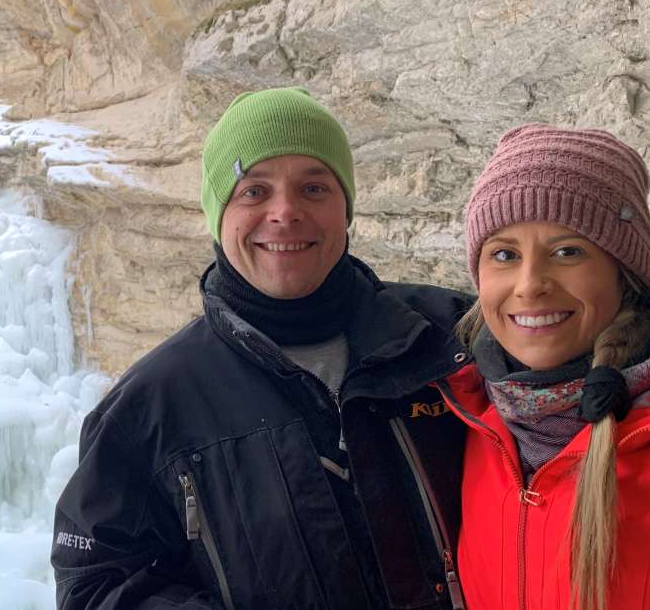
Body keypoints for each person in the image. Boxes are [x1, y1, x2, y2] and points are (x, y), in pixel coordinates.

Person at [51, 87, 476, 609]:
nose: (285, 212)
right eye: (253, 191)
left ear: (346, 209)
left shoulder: (453, 336)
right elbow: (93, 585)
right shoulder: (150, 406)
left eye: (314, 188)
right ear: (218, 214)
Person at [441, 124, 650, 610]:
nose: (529, 284)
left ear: (624, 275)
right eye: (504, 254)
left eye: (568, 251)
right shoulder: (477, 425)